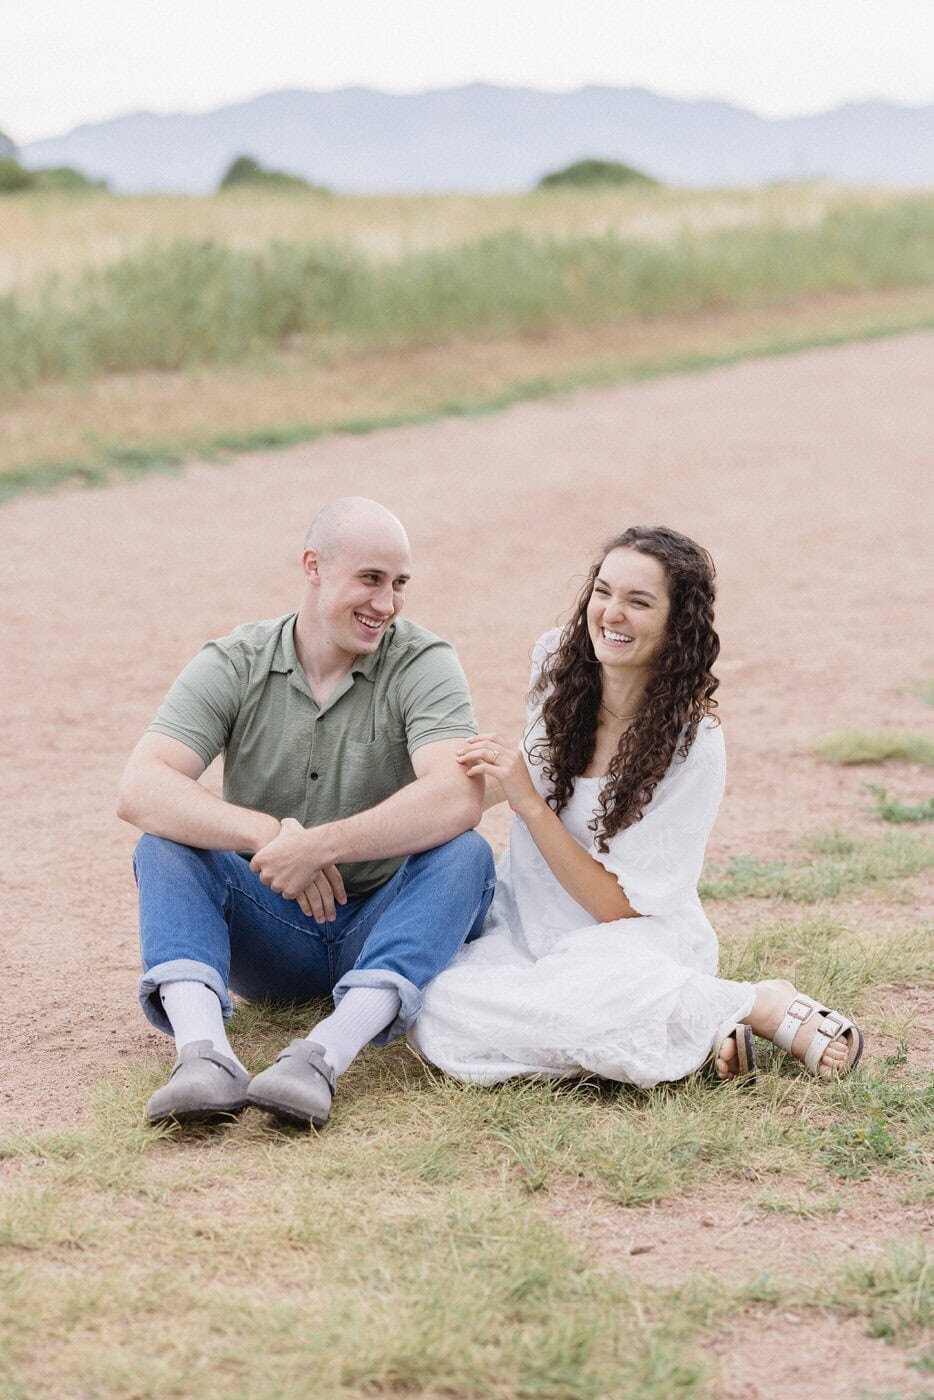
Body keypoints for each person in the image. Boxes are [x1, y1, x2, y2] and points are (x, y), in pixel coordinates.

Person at [410, 526, 863, 1086]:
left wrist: (530, 805)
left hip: (628, 943)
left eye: (639, 601)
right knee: (440, 1005)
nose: (612, 614)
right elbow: (519, 769)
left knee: (598, 993)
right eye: (603, 592)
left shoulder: (694, 746)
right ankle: (700, 1027)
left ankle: (758, 1003)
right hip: (525, 922)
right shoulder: (556, 664)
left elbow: (619, 909)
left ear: (677, 625)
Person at [117, 497, 494, 1128]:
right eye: (370, 579)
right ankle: (203, 1056)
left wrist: (323, 845)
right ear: (314, 566)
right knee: (163, 844)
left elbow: (457, 795)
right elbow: (140, 787)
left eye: (399, 583)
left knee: (467, 853)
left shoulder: (424, 661)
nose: (387, 603)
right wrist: (270, 835)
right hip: (273, 933)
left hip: (384, 923)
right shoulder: (235, 660)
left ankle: (322, 1057)